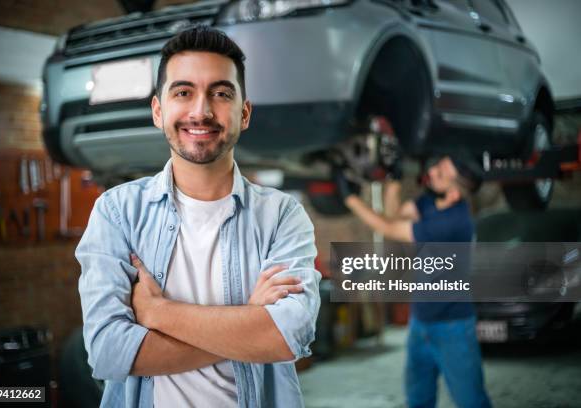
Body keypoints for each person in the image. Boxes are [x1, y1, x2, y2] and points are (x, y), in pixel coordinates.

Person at [76, 26, 321, 408]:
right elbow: (108, 352)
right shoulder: (117, 213)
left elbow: (286, 337)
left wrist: (158, 312)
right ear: (158, 111)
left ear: (244, 112)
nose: (201, 111)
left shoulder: (281, 216)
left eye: (221, 93)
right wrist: (250, 322)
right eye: (183, 92)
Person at [335, 156, 491, 408]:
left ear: (453, 193)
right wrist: (394, 183)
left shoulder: (452, 223)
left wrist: (348, 197)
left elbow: (387, 228)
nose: (432, 171)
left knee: (471, 402)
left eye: (440, 173)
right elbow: (394, 216)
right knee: (418, 401)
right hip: (420, 323)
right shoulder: (431, 202)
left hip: (452, 329)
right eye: (437, 165)